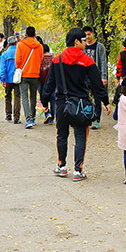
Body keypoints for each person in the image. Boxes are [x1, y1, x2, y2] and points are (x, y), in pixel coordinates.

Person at [41, 28, 108, 181]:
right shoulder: (87, 61)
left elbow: (49, 84)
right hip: (81, 105)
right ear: (76, 41)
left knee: (62, 135)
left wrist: (44, 102)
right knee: (80, 136)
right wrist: (105, 101)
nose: (86, 42)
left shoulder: (57, 60)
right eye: (84, 40)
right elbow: (97, 84)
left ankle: (62, 166)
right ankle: (78, 171)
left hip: (61, 104)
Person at [15, 26, 43, 129]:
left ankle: (28, 119)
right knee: (33, 96)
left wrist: (20, 67)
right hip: (35, 74)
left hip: (24, 74)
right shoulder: (39, 46)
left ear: (26, 34)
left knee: (25, 97)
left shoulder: (21, 44)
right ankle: (33, 118)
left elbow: (17, 60)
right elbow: (41, 60)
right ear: (35, 35)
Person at [83, 26, 109, 129]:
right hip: (86, 77)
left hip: (97, 77)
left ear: (93, 34)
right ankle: (86, 117)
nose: (87, 37)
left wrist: (104, 77)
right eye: (85, 35)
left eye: (89, 34)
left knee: (98, 98)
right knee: (85, 97)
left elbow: (103, 62)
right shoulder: (83, 46)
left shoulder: (99, 46)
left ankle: (96, 120)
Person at [0, 35, 21, 124]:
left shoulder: (5, 54)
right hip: (17, 78)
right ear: (16, 43)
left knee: (8, 96)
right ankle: (16, 117)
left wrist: (3, 79)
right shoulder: (19, 53)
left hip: (7, 78)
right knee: (17, 96)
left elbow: (2, 68)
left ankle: (8, 115)